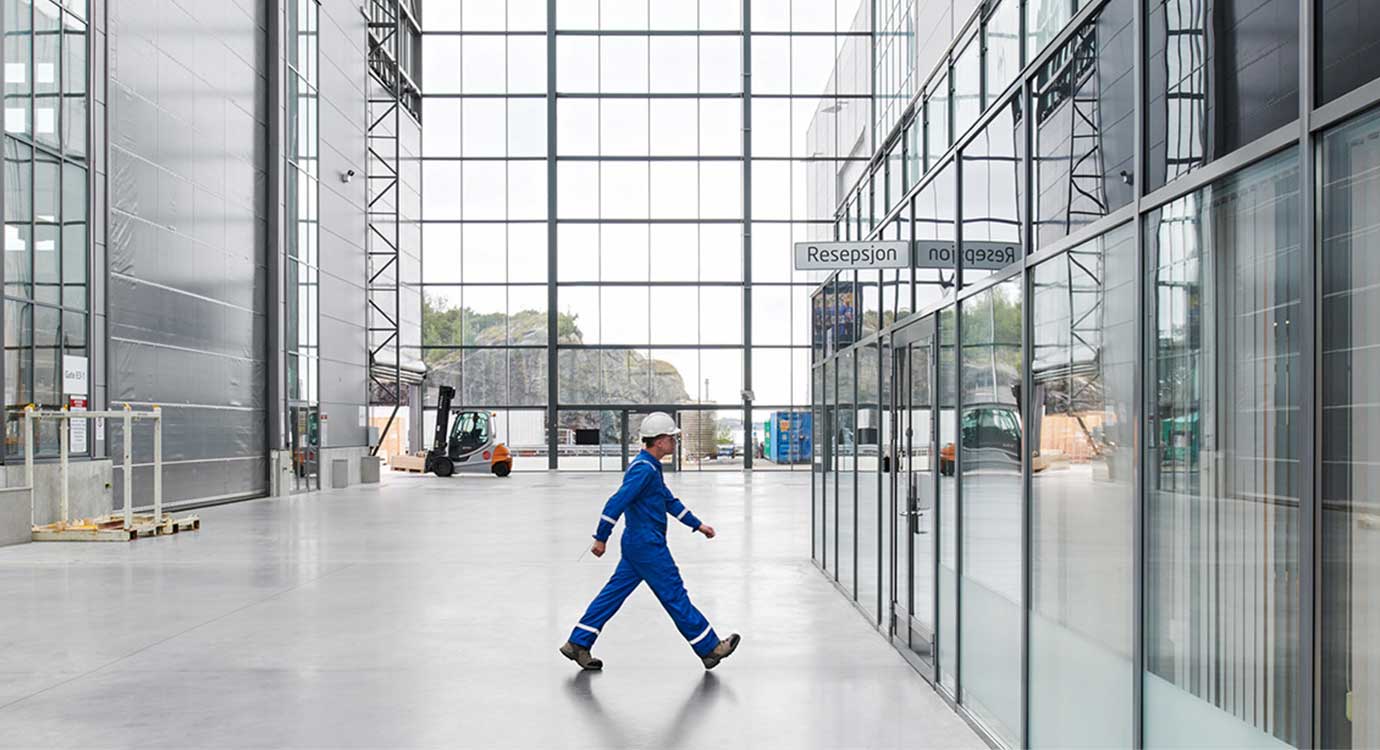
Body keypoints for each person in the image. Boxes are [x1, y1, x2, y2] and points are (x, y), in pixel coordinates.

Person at [560, 412, 741, 671]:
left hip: (639, 544)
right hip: (647, 545)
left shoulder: (651, 467)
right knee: (674, 593)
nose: (675, 443)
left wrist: (698, 525)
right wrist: (601, 538)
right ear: (659, 441)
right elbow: (616, 502)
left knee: (612, 594)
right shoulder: (643, 470)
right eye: (672, 438)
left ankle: (578, 642)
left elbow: (668, 501)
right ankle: (709, 648)